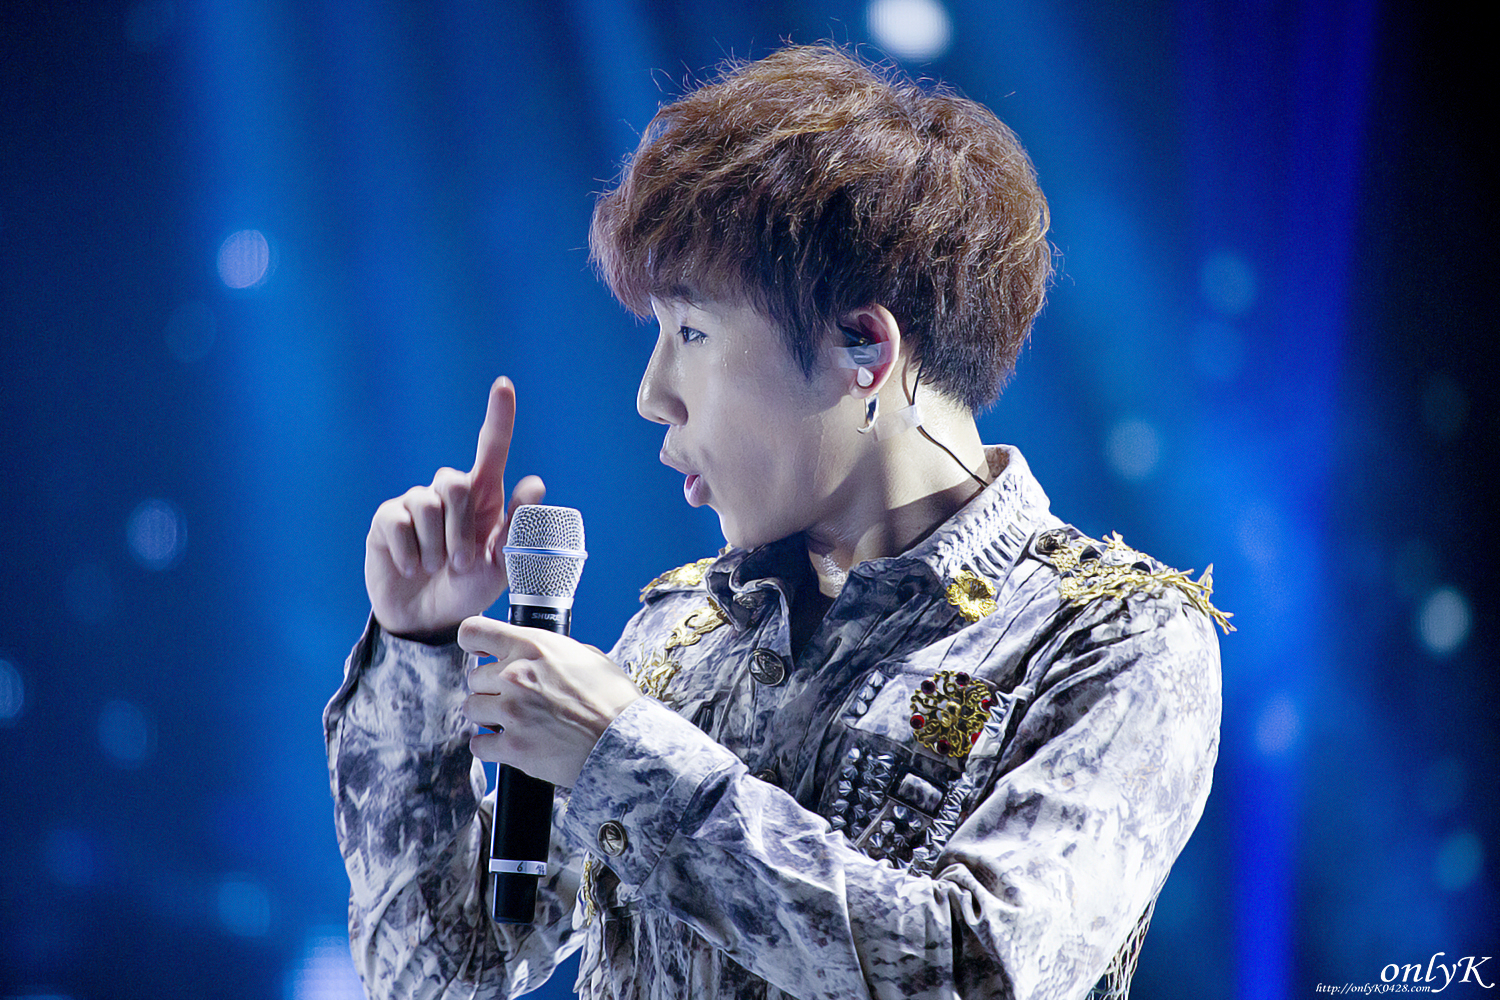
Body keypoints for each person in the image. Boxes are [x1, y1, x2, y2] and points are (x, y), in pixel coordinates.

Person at [325, 44, 1229, 1000]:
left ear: (864, 346)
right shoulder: (682, 632)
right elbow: (443, 977)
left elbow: (978, 973)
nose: (652, 394)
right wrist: (418, 652)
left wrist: (625, 757)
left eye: (692, 332)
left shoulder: (1112, 640)